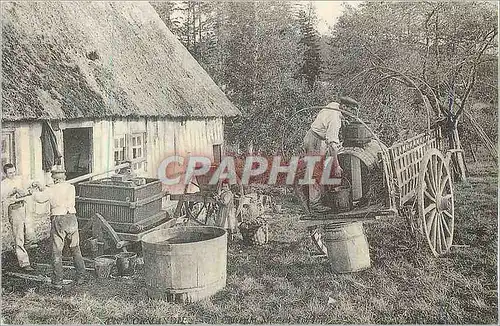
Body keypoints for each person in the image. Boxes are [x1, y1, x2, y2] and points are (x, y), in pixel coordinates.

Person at [32, 167, 86, 288]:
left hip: (59, 219)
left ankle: (58, 281)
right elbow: (56, 191)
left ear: (53, 179)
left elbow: (40, 199)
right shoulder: (71, 187)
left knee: (57, 251)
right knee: (75, 248)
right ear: (64, 178)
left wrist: (33, 193)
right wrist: (43, 187)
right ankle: (81, 276)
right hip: (72, 218)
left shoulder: (51, 190)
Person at [302, 97, 359, 212]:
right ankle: (315, 205)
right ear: (343, 107)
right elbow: (332, 145)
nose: (349, 113)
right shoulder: (335, 120)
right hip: (315, 141)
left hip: (316, 137)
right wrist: (337, 165)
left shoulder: (334, 105)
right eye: (349, 110)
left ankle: (318, 198)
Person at [1, 163, 34, 271]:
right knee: (18, 235)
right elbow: (4, 196)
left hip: (24, 206)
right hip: (14, 209)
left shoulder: (19, 179)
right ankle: (24, 262)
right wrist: (14, 190)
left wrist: (34, 183)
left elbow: (28, 184)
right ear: (5, 174)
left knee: (29, 233)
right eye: (10, 173)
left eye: (14, 171)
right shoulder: (4, 184)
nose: (13, 174)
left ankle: (26, 254)